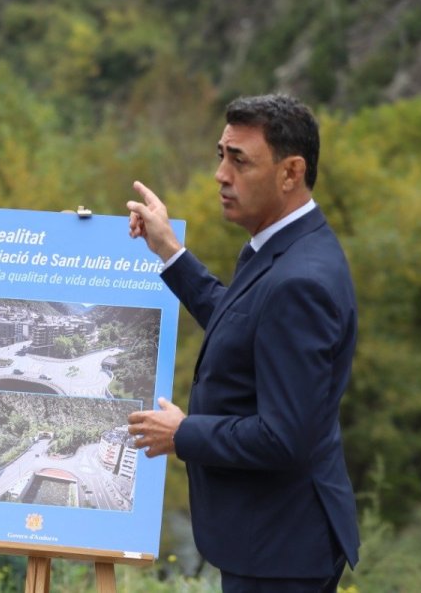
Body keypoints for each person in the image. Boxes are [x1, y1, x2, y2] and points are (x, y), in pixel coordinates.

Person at [126, 94, 359, 592]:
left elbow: (285, 436)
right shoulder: (283, 247)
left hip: (282, 552)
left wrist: (183, 434)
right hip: (273, 540)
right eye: (220, 155)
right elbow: (244, 326)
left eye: (239, 160)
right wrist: (170, 253)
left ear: (290, 172)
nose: (221, 175)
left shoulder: (301, 280)